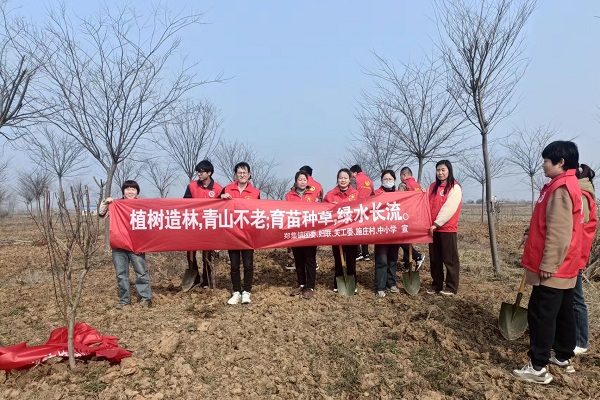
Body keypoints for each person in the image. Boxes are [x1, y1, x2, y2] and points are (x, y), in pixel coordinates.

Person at [513, 141, 583, 384]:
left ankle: (537, 366)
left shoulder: (561, 188)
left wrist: (548, 264)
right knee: (563, 311)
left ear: (560, 162)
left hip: (555, 266)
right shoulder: (561, 184)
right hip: (565, 264)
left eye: (546, 161)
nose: (542, 165)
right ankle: (562, 355)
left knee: (541, 313)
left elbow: (559, 232)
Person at [99, 180, 152, 309]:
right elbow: (101, 214)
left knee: (141, 272)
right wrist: (106, 202)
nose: (130, 191)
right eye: (127, 189)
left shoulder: (142, 205)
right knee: (121, 274)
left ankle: (145, 299)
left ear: (137, 191)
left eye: (133, 189)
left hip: (136, 245)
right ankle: (124, 301)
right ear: (123, 191)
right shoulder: (116, 205)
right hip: (119, 244)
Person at [221, 162, 261, 305]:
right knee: (234, 265)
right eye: (239, 172)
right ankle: (236, 291)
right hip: (232, 233)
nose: (242, 175)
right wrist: (222, 198)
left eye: (245, 172)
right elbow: (218, 208)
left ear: (249, 175)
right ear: (236, 174)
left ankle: (247, 291)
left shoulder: (255, 192)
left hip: (248, 234)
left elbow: (260, 211)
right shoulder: (227, 189)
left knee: (248, 264)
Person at [183, 160, 223, 290]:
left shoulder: (218, 189)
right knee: (190, 254)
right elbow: (184, 204)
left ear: (209, 173)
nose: (199, 174)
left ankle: (206, 280)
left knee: (206, 255)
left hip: (209, 228)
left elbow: (222, 209)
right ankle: (195, 278)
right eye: (198, 172)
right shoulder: (192, 186)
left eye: (202, 172)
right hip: (193, 226)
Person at [427, 160, 462, 296]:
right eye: (438, 170)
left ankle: (451, 287)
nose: (440, 173)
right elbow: (426, 204)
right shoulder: (432, 187)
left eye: (443, 170)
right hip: (432, 229)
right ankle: (436, 285)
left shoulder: (454, 187)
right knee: (435, 259)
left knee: (450, 259)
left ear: (449, 170)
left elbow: (449, 208)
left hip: (447, 229)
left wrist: (437, 223)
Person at [573, 164, 597, 355]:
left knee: (576, 298)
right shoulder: (581, 192)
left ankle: (581, 341)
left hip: (575, 255)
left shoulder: (581, 196)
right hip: (574, 254)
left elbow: (577, 228)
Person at [323, 168, 359, 293]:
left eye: (345, 178)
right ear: (337, 179)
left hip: (351, 232)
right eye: (340, 178)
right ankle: (337, 282)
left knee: (350, 259)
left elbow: (363, 209)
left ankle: (352, 283)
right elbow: (322, 210)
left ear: (349, 179)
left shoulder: (356, 194)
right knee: (338, 258)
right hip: (336, 232)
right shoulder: (330, 194)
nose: (343, 180)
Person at [285, 170, 320, 299]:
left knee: (310, 260)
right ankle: (301, 283)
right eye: (300, 179)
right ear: (296, 181)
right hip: (295, 232)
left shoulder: (314, 195)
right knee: (298, 260)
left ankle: (310, 286)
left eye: (304, 180)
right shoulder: (289, 196)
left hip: (310, 232)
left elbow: (321, 210)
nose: (302, 182)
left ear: (307, 181)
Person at [372, 170, 401, 297]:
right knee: (382, 259)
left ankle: (391, 282)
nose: (387, 181)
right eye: (385, 179)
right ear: (382, 180)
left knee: (393, 259)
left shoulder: (400, 195)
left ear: (394, 180)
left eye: (390, 179)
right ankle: (380, 285)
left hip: (395, 232)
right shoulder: (376, 194)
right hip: (381, 232)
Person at [398, 167, 426, 271]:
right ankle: (406, 263)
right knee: (407, 240)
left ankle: (417, 256)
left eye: (400, 176)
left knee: (401, 240)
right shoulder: (418, 186)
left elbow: (400, 201)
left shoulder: (403, 185)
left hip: (405, 217)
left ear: (403, 175)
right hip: (416, 217)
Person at [349, 164, 374, 261]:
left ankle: (358, 252)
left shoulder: (354, 179)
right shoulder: (369, 180)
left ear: (354, 172)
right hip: (367, 207)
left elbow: (352, 192)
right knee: (365, 229)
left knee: (356, 229)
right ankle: (366, 253)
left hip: (357, 207)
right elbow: (372, 194)